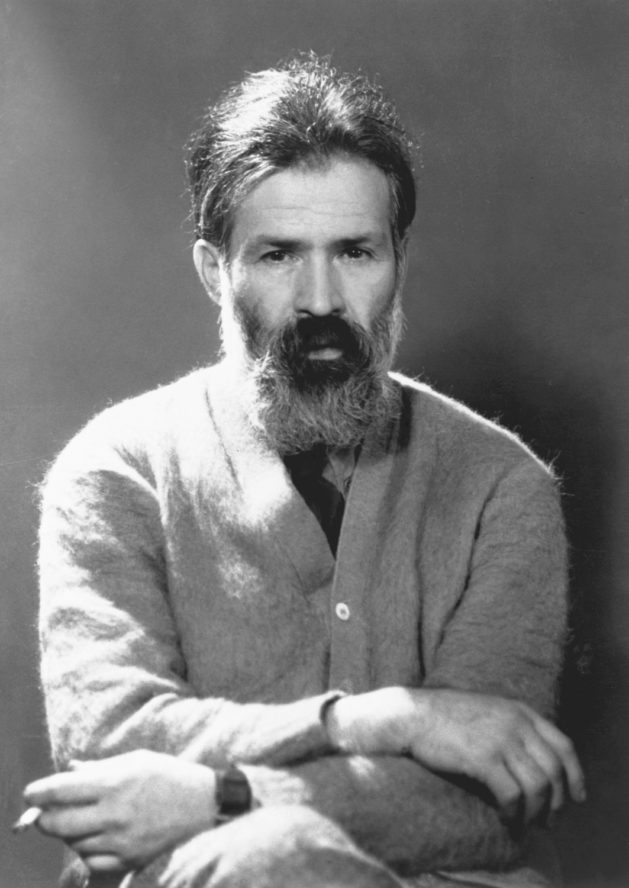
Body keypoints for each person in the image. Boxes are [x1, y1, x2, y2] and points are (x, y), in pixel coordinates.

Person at [26, 54, 585, 888]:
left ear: (398, 261)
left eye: (355, 252)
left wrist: (223, 795)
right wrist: (377, 721)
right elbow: (104, 756)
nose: (321, 300)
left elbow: (490, 795)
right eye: (279, 255)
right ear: (215, 271)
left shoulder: (502, 488)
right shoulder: (116, 472)